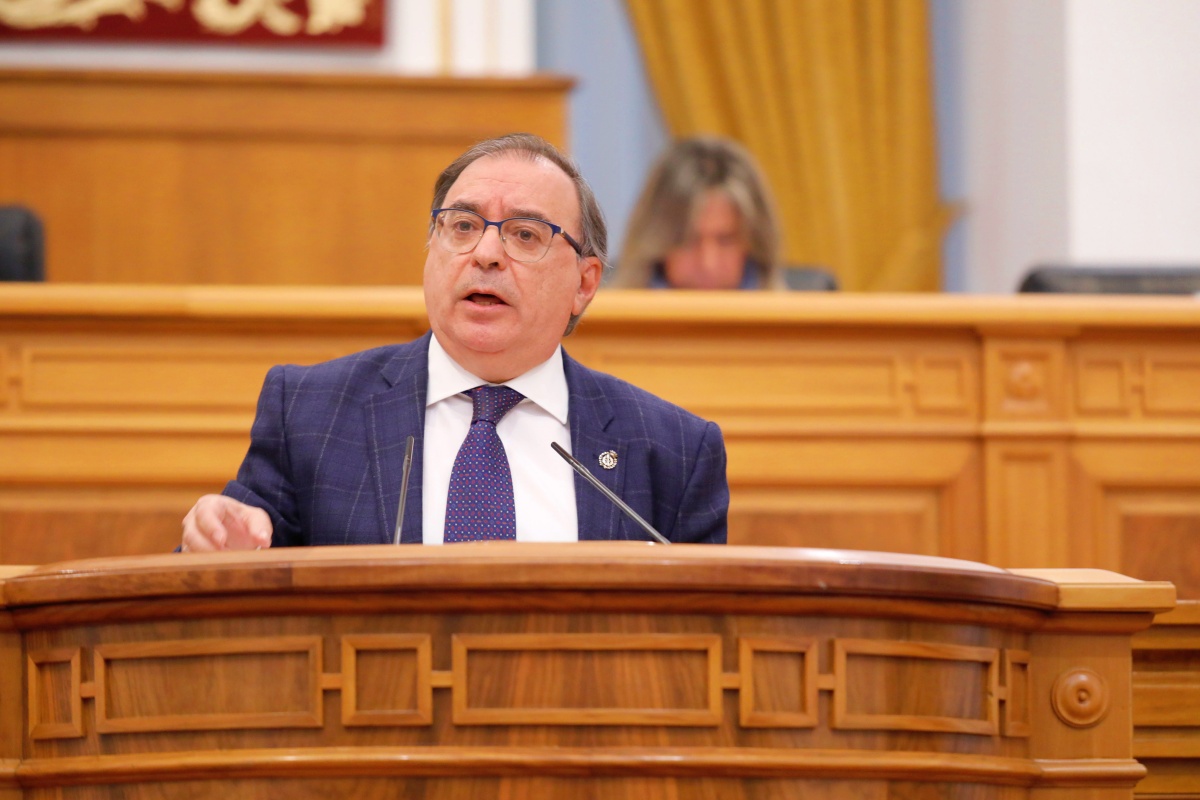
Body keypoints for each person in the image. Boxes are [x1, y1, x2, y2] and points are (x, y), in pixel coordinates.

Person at [180, 133, 729, 551]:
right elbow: (227, 567)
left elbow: (707, 641)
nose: (485, 254)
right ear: (431, 249)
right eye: (463, 226)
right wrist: (216, 542)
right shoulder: (311, 413)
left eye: (525, 234)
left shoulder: (672, 452)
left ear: (584, 284)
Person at [614, 136, 784, 290]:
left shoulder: (787, 313)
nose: (708, 264)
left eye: (725, 241)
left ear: (754, 245)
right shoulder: (610, 313)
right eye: (689, 240)